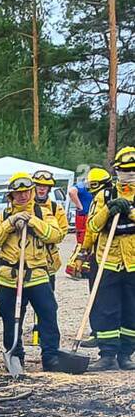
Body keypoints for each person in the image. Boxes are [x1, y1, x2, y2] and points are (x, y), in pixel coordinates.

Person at [0, 171, 66, 372]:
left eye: (26, 192)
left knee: (48, 314)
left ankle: (50, 356)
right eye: (18, 193)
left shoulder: (43, 213)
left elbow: (55, 235)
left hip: (37, 275)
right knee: (10, 318)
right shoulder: (3, 215)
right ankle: (15, 355)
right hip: (9, 278)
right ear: (11, 196)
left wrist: (32, 221)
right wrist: (10, 223)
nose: (23, 196)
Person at [81, 146, 135, 370]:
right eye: (124, 171)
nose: (129, 176)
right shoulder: (105, 195)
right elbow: (92, 225)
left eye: (133, 171)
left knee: (131, 309)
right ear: (116, 172)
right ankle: (107, 355)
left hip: (132, 261)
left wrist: (129, 211)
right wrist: (109, 210)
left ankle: (126, 354)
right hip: (108, 260)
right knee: (106, 308)